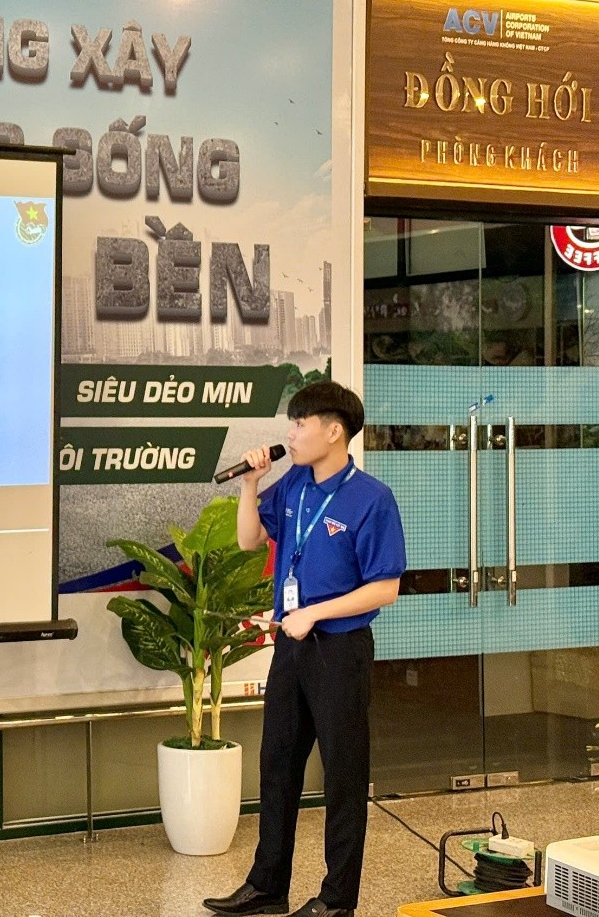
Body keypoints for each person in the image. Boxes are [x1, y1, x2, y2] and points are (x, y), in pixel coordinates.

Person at [204, 381, 406, 917]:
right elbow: (249, 540)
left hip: (339, 651)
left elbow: (386, 587)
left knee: (342, 775)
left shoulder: (372, 499)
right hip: (291, 649)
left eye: (300, 424)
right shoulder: (294, 482)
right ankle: (267, 886)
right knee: (277, 765)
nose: (290, 434)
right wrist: (250, 484)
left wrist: (315, 612)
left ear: (334, 431)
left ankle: (337, 900)